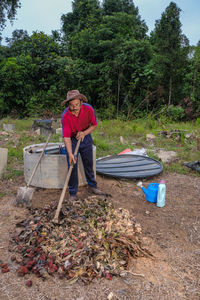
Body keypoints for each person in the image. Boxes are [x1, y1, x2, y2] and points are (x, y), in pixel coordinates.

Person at [61, 89, 103, 200]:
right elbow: (66, 137)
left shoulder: (88, 109)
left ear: (81, 102)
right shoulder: (65, 116)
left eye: (77, 105)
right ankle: (73, 192)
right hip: (72, 138)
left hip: (85, 135)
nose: (75, 108)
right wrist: (70, 153)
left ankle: (92, 186)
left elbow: (94, 125)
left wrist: (84, 133)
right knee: (72, 164)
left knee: (88, 162)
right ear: (68, 105)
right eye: (71, 105)